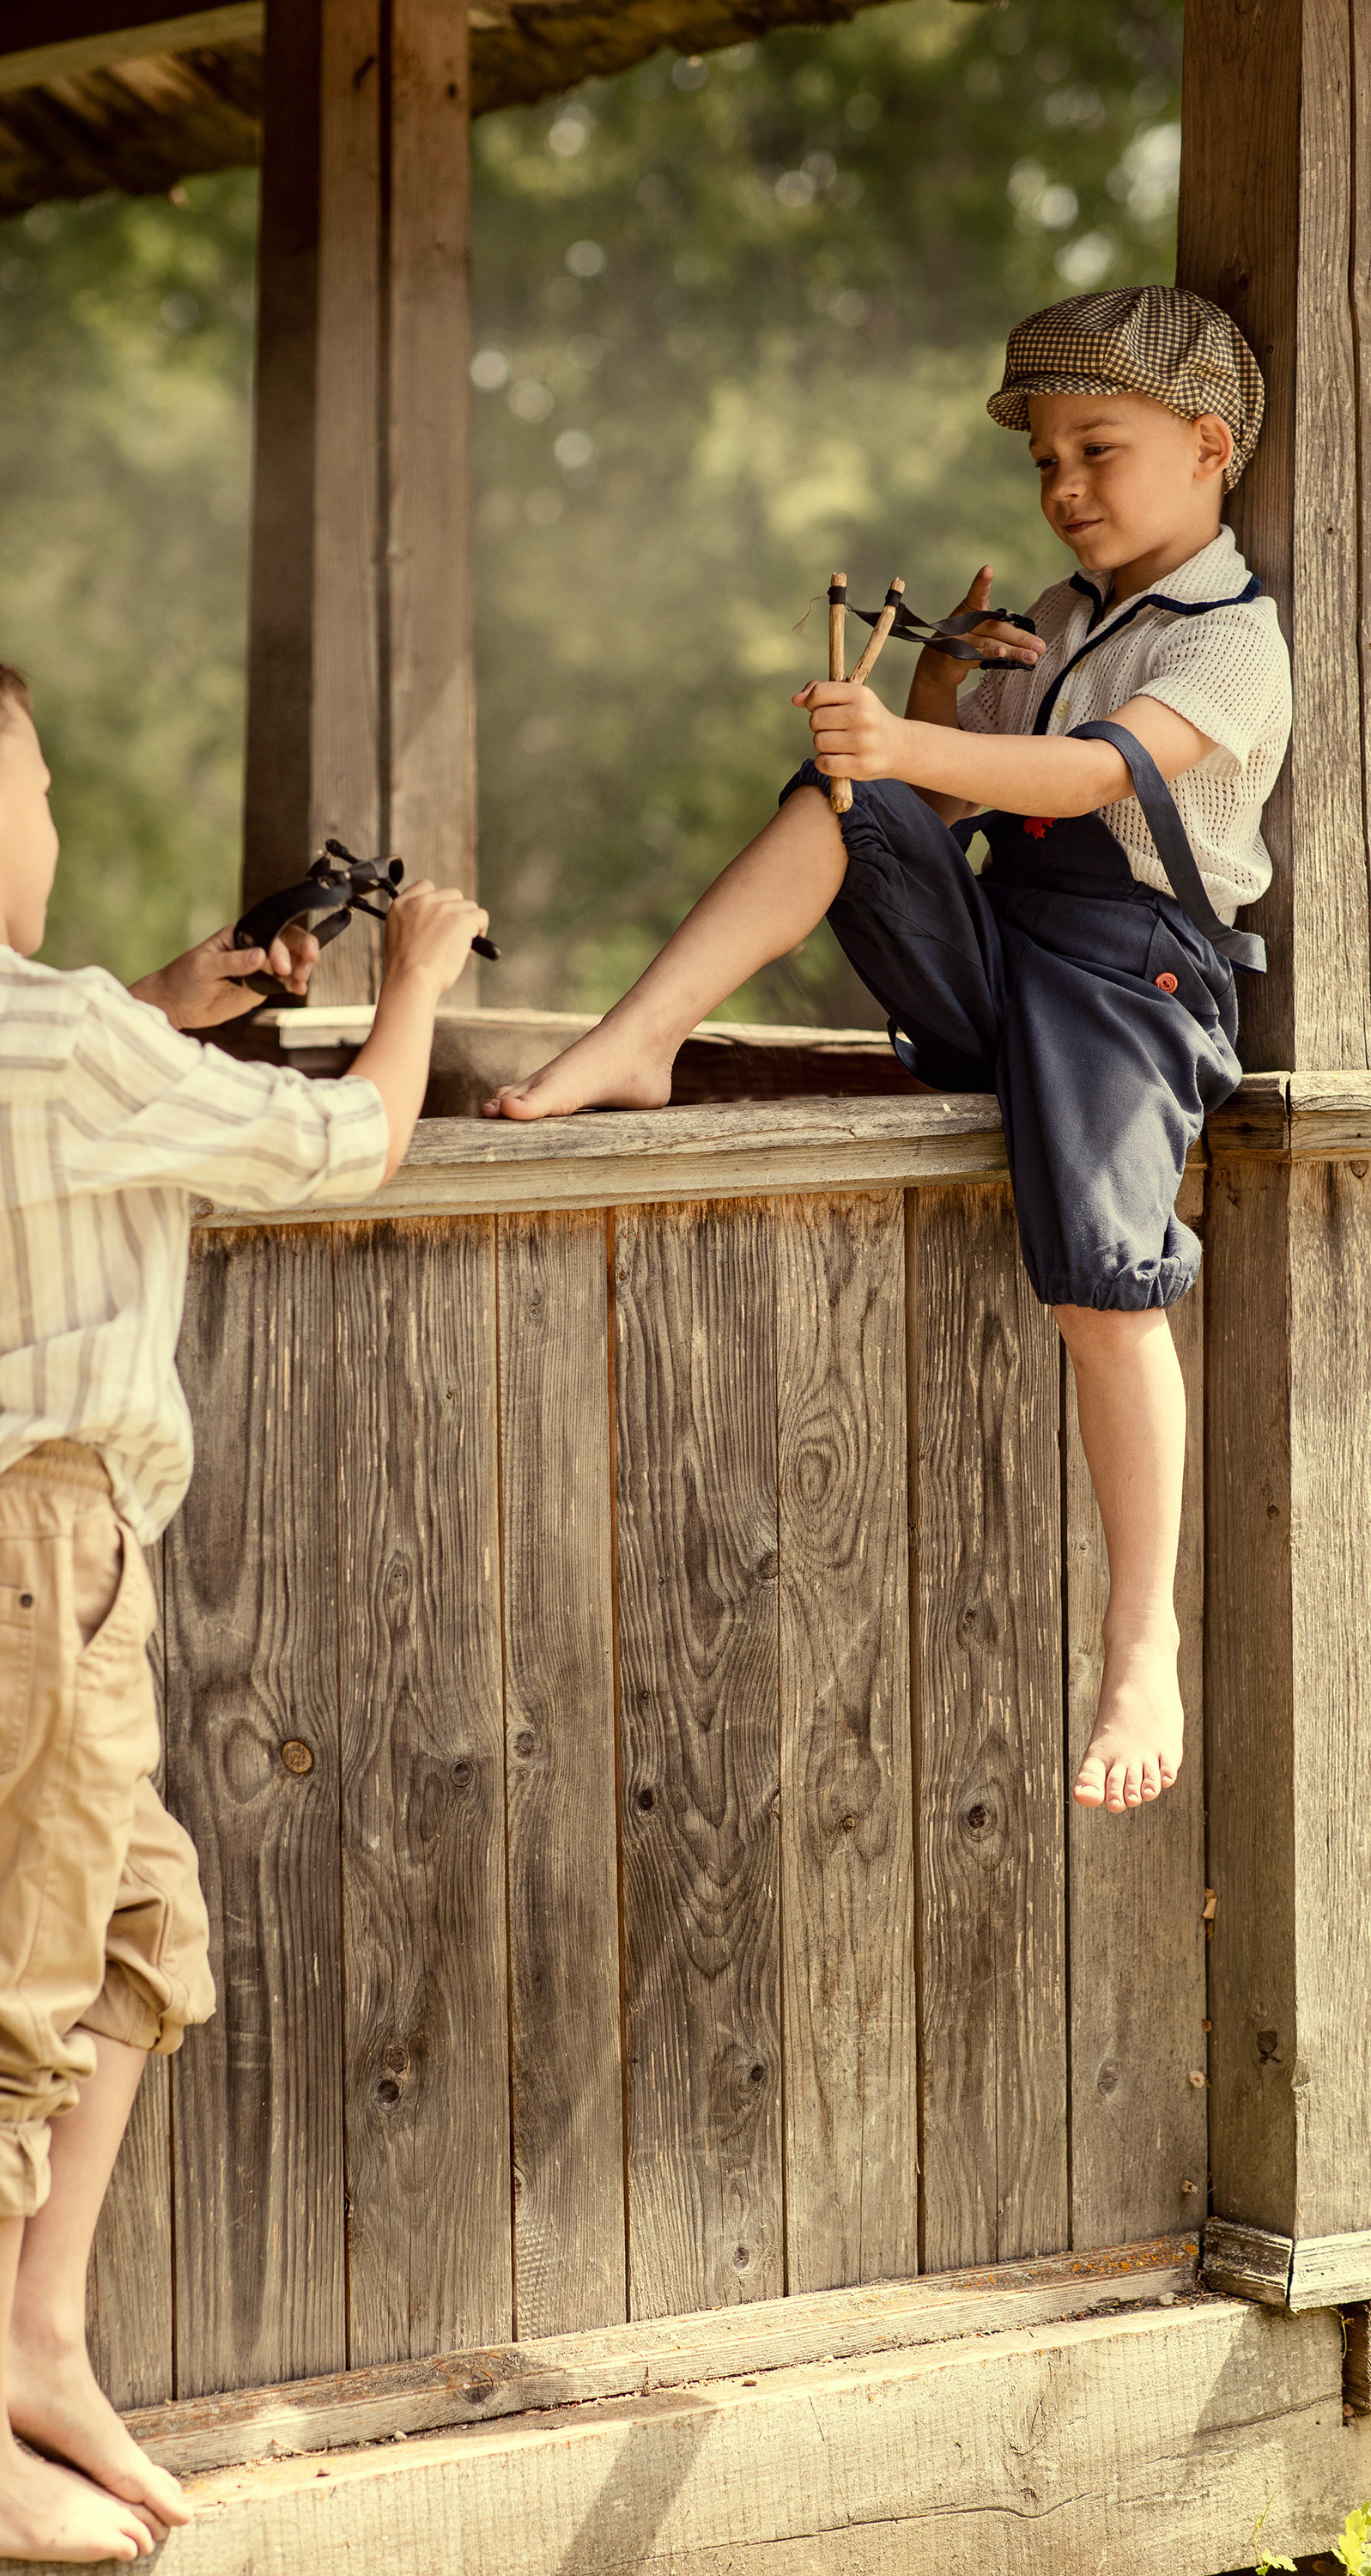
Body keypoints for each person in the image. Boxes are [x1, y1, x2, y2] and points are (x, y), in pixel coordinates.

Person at [0, 621, 488, 2565]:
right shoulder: (65, 1036)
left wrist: (169, 998)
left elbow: (37, 1070)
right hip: (32, 1544)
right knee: (8, 1996)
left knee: (133, 1934)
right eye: (51, 779)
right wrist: (414, 979)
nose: (57, 813)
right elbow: (352, 1145)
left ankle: (43, 2354)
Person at [483, 285, 1291, 1821]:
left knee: (1100, 1289)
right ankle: (643, 1035)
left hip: (1137, 981)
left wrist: (919, 748)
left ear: (1208, 446)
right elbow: (957, 807)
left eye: (1097, 450)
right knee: (845, 800)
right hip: (1013, 945)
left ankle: (1143, 1638)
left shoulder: (1238, 645)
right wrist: (914, 720)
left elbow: (1080, 771)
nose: (1063, 489)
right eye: (1045, 458)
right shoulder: (1058, 620)